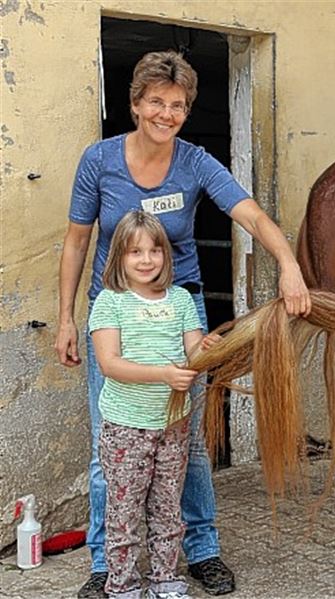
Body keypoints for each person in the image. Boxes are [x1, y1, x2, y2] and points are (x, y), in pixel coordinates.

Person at [55, 51, 311, 598]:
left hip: (180, 311)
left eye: (176, 105)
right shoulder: (99, 161)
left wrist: (289, 268)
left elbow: (251, 216)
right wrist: (64, 319)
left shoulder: (195, 162)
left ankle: (201, 551)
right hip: (116, 313)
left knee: (186, 444)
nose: (165, 114)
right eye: (155, 102)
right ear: (134, 104)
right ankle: (106, 563)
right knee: (111, 445)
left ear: (186, 110)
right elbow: (78, 240)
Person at [89, 211, 217, 599]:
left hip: (172, 425)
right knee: (124, 512)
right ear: (119, 258)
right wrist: (164, 374)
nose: (146, 260)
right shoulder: (110, 303)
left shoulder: (180, 300)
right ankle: (123, 584)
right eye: (135, 252)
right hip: (125, 427)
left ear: (166, 255)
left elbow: (194, 350)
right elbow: (110, 364)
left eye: (154, 250)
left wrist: (209, 350)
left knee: (166, 508)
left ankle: (165, 577)